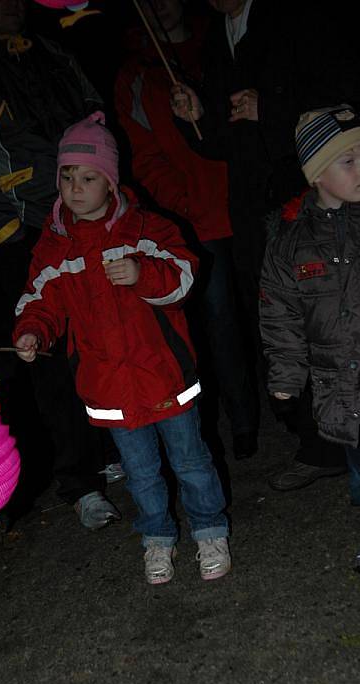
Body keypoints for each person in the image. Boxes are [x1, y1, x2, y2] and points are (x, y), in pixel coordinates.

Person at [0, 0, 124, 529]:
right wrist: (10, 234)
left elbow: (96, 119)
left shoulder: (54, 52)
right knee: (48, 356)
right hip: (26, 233)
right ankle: (80, 481)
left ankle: (114, 447)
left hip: (87, 219)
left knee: (108, 334)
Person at [14, 111, 231, 585]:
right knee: (140, 473)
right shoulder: (55, 248)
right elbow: (38, 298)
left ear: (111, 182)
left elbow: (186, 275)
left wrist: (142, 274)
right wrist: (32, 331)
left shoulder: (147, 229)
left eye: (88, 177)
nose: (75, 187)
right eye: (67, 176)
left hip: (165, 377)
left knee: (191, 461)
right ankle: (157, 538)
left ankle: (210, 529)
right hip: (108, 386)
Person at [169, 0, 358, 489]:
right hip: (258, 212)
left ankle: (340, 441)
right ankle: (316, 443)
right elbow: (221, 138)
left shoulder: (296, 15)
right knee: (284, 316)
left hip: (316, 196)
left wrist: (271, 107)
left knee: (338, 314)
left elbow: (341, 98)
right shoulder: (217, 38)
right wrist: (194, 116)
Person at [114, 0, 257, 460]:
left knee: (272, 309)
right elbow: (145, 158)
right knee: (219, 325)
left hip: (250, 202)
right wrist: (183, 206)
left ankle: (295, 407)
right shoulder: (134, 75)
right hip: (199, 218)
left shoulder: (220, 41)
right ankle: (243, 422)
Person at [259, 106, 360, 511]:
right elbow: (279, 313)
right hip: (340, 386)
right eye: (350, 161)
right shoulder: (289, 241)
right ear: (317, 173)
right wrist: (285, 374)